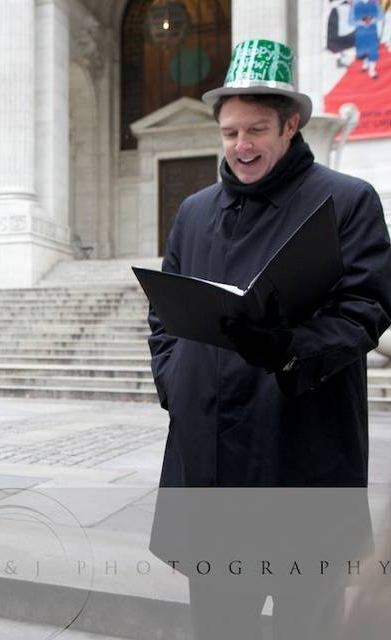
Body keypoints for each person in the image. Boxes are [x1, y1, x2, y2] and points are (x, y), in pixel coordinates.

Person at [147, 39, 391, 639]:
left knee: (307, 624)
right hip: (211, 462)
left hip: (300, 457)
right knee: (219, 625)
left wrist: (289, 348)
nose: (241, 146)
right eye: (230, 133)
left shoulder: (347, 200)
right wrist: (175, 379)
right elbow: (163, 316)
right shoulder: (195, 211)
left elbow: (366, 308)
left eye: (256, 130)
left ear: (291, 126)